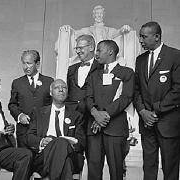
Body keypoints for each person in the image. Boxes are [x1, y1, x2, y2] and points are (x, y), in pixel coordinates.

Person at [134, 21, 180, 180]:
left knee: (170, 167)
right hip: (147, 123)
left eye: (144, 37)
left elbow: (178, 89)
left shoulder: (175, 56)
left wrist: (155, 110)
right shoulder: (140, 60)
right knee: (149, 166)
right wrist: (142, 111)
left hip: (167, 122)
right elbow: (136, 89)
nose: (140, 40)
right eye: (140, 36)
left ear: (157, 36)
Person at [85, 40, 135, 180]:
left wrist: (104, 115)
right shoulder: (94, 74)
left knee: (116, 170)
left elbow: (126, 97)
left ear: (111, 52)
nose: (96, 54)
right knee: (93, 171)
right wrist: (95, 114)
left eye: (99, 50)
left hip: (115, 129)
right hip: (94, 130)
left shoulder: (127, 73)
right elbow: (88, 97)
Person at [55, 5, 140, 81]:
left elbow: (119, 32)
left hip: (104, 58)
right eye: (97, 13)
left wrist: (124, 29)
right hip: (90, 57)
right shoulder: (86, 30)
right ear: (93, 15)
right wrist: (68, 29)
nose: (99, 15)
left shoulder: (109, 30)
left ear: (104, 15)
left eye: (101, 13)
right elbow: (75, 34)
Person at [25, 79, 86, 180]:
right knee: (66, 163)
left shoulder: (77, 115)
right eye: (57, 88)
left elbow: (82, 141)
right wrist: (42, 141)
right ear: (50, 92)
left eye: (64, 88)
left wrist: (68, 143)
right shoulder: (39, 113)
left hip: (71, 154)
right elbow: (28, 137)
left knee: (61, 142)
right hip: (44, 157)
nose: (61, 90)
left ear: (67, 92)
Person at [8, 50, 53, 148]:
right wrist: (20, 116)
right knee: (24, 159)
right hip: (23, 131)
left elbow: (52, 105)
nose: (25, 67)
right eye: (23, 63)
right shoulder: (17, 83)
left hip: (42, 130)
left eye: (29, 63)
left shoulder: (49, 81)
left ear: (37, 64)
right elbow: (12, 104)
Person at [66, 34, 98, 116]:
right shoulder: (71, 69)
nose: (78, 51)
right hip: (72, 114)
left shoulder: (101, 67)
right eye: (76, 48)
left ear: (91, 47)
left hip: (92, 115)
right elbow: (69, 91)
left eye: (81, 48)